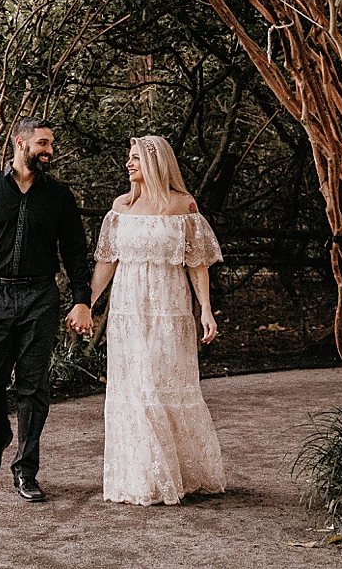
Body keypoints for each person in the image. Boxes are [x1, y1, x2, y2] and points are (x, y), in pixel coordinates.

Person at [0, 117, 94, 502]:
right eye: (43, 143)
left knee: (34, 386)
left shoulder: (60, 196)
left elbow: (76, 252)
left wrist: (82, 299)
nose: (49, 151)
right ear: (20, 143)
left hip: (40, 298)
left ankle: (25, 469)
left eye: (51, 144)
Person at [87, 134, 226, 505]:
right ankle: (142, 477)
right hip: (128, 310)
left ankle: (177, 473)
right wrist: (87, 302)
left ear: (155, 163)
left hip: (170, 308)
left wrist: (206, 310)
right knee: (136, 387)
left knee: (164, 382)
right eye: (128, 157)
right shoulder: (120, 207)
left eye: (135, 158)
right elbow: (107, 261)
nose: (128, 164)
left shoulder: (183, 206)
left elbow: (197, 264)